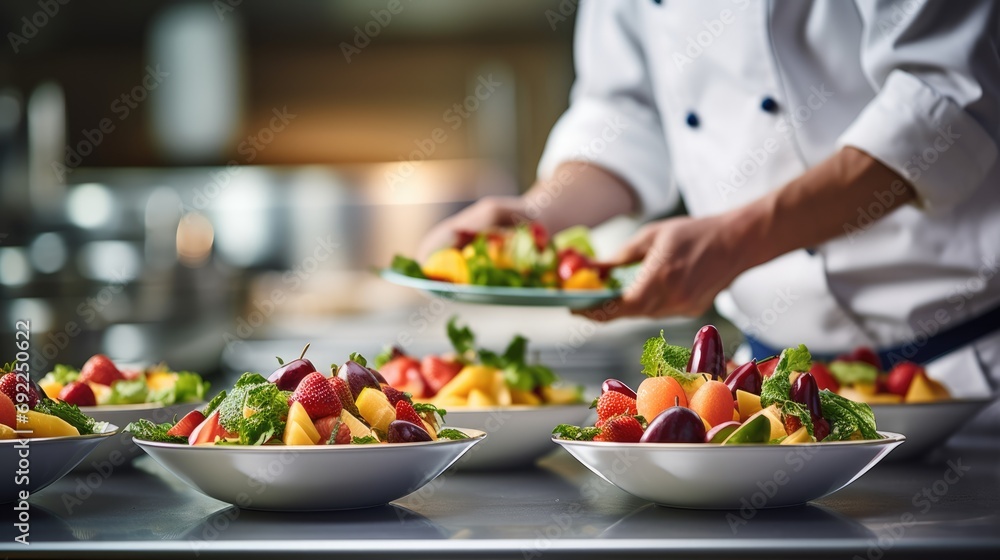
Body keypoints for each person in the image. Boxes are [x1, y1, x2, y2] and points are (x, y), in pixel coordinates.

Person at [418, 0, 1000, 396]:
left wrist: (736, 241)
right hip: (772, 385)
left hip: (967, 374)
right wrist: (536, 218)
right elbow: (625, 110)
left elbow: (945, 99)